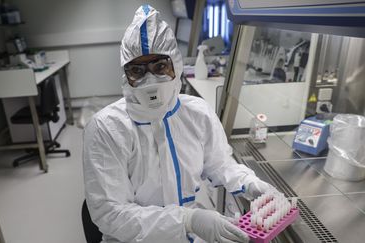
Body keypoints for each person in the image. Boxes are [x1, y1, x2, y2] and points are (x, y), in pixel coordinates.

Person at [83, 5, 277, 243]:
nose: (150, 78)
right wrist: (187, 220)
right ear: (126, 74)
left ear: (175, 63)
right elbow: (110, 213)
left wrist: (250, 183)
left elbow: (219, 164)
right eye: (137, 69)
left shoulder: (197, 113)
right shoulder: (107, 128)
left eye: (160, 66)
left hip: (193, 236)